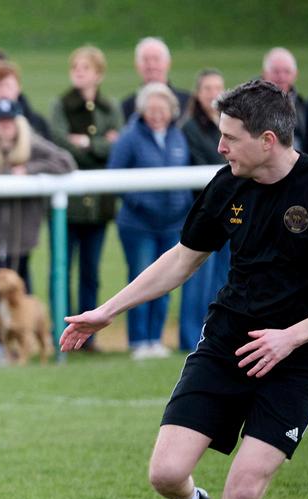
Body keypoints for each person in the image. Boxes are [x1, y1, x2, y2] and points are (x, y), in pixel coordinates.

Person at [61, 79, 308, 499]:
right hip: (225, 345)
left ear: (267, 140)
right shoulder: (228, 183)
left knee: (244, 489)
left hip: (295, 360)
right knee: (166, 472)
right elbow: (182, 259)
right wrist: (108, 310)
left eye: (230, 137)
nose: (219, 147)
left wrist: (291, 337)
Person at [0, 99, 75, 363]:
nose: (5, 127)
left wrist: (28, 170)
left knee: (18, 292)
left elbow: (65, 162)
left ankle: (20, 346)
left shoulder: (31, 144)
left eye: (10, 121)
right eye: (0, 121)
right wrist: (2, 176)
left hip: (18, 238)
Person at [107, 82, 191, 359]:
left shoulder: (177, 136)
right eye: (151, 109)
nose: (156, 115)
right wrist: (140, 203)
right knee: (140, 280)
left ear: (171, 110)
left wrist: (182, 205)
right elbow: (114, 175)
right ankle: (139, 340)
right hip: (138, 224)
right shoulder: (130, 137)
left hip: (172, 224)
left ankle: (156, 338)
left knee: (166, 282)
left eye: (161, 109)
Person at [50, 45, 124, 352]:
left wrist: (86, 143)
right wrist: (99, 145)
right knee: (61, 271)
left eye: (85, 68)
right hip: (68, 207)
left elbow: (117, 146)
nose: (79, 73)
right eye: (75, 67)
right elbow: (61, 145)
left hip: (99, 206)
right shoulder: (61, 105)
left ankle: (88, 339)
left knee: (90, 273)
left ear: (98, 74)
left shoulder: (110, 107)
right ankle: (59, 334)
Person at [178, 69, 229, 352]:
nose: (213, 93)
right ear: (197, 94)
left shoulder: (230, 125)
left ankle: (217, 335)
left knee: (224, 280)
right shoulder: (190, 128)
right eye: (207, 88)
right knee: (197, 279)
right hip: (204, 212)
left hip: (231, 213)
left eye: (217, 87)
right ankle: (191, 339)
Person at [120, 38, 191, 121]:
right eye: (145, 60)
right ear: (137, 66)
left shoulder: (188, 102)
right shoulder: (126, 107)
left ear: (168, 63)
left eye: (156, 59)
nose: (151, 65)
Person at [261, 48, 305, 149]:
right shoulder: (251, 102)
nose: (281, 76)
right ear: (264, 73)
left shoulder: (301, 104)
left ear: (295, 74)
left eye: (287, 71)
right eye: (276, 71)